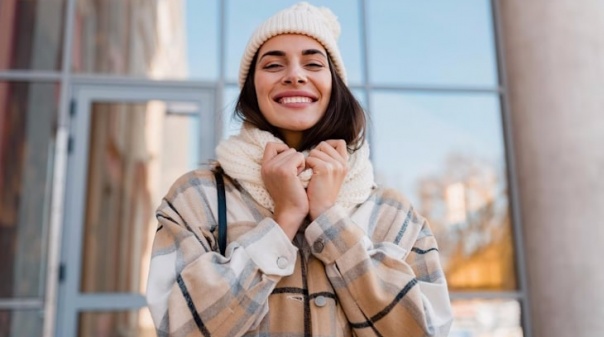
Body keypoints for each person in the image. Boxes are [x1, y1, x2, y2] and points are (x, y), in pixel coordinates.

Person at [146, 2, 453, 336]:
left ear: (334, 85)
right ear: (253, 88)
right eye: (274, 64)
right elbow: (179, 328)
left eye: (313, 63)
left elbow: (427, 331)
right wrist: (286, 218)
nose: (295, 75)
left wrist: (328, 218)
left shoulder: (394, 214)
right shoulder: (196, 198)